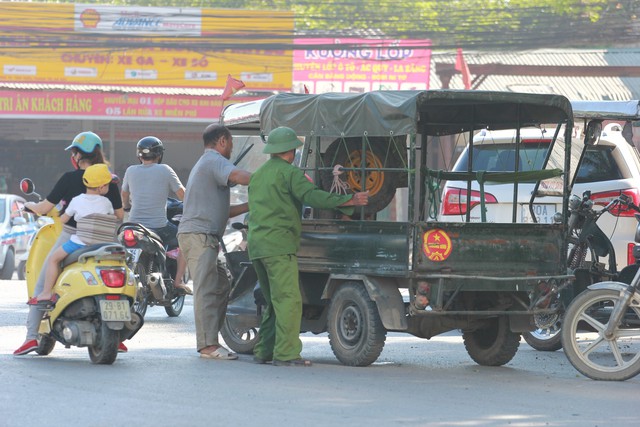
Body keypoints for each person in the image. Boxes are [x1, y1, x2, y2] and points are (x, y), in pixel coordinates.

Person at [247, 126, 369, 367]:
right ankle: (286, 354)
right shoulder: (290, 173)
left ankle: (264, 350)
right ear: (290, 151)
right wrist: (348, 200)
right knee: (289, 301)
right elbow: (313, 196)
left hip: (257, 246)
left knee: (273, 301)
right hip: (279, 246)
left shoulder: (258, 174)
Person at [14, 131, 126, 356]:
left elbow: (46, 209)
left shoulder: (69, 179)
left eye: (73, 152)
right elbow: (120, 214)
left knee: (42, 281)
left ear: (76, 155)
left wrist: (30, 207)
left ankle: (31, 338)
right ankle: (118, 334)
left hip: (73, 236)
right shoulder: (109, 181)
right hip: (105, 239)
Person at [177, 124, 251, 360]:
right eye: (230, 143)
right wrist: (271, 178)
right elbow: (239, 176)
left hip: (202, 235)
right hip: (200, 236)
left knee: (221, 285)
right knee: (206, 289)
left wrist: (252, 205)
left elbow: (225, 211)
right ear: (221, 141)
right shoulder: (213, 160)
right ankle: (207, 345)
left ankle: (212, 339)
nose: (231, 148)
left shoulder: (207, 163)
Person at [28, 164, 115, 307]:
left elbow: (63, 219)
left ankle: (46, 292)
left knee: (53, 259)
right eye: (108, 185)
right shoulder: (106, 202)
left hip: (79, 243)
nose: (108, 187)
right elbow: (110, 216)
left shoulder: (77, 200)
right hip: (101, 244)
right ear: (101, 187)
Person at [121, 136, 190, 294]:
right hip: (158, 227)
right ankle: (178, 282)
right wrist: (194, 206)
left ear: (139, 155)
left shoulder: (130, 170)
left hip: (133, 226)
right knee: (184, 240)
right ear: (159, 154)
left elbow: (124, 194)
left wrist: (127, 207)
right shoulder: (165, 170)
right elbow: (182, 194)